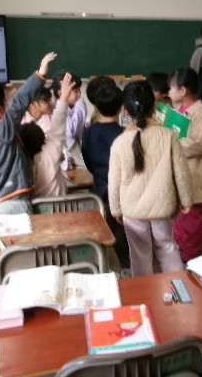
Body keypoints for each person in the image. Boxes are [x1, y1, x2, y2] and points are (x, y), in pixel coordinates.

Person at [108, 80, 193, 277]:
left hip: (132, 210)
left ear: (125, 110)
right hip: (161, 207)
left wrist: (115, 209)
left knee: (139, 254)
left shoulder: (119, 142)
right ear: (155, 106)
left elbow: (114, 182)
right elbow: (181, 172)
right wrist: (186, 199)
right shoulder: (168, 135)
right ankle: (179, 287)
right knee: (167, 247)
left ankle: (144, 293)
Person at [0, 52, 56, 213]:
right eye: (5, 103)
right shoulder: (1, 131)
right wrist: (40, 73)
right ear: (0, 110)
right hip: (14, 202)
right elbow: (20, 101)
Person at [168, 67, 202, 262]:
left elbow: (198, 144)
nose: (169, 92)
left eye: (171, 88)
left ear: (183, 91)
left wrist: (171, 142)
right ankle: (181, 260)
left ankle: (191, 265)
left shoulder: (201, 115)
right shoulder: (178, 112)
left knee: (191, 225)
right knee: (179, 223)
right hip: (179, 179)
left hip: (195, 180)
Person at [81, 84, 131, 271]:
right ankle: (128, 267)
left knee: (111, 232)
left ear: (96, 107)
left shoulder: (89, 132)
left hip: (101, 191)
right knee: (127, 233)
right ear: (121, 107)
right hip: (125, 190)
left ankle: (115, 268)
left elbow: (87, 161)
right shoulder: (126, 134)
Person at [18, 72, 74, 198]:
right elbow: (58, 127)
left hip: (35, 207)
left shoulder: (21, 163)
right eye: (46, 100)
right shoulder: (49, 153)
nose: (50, 103)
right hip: (59, 205)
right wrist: (64, 97)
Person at [52, 71, 87, 169]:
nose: (79, 94)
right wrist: (80, 104)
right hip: (71, 152)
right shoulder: (57, 110)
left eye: (79, 90)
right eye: (75, 91)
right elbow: (72, 130)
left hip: (74, 151)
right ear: (61, 93)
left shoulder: (69, 108)